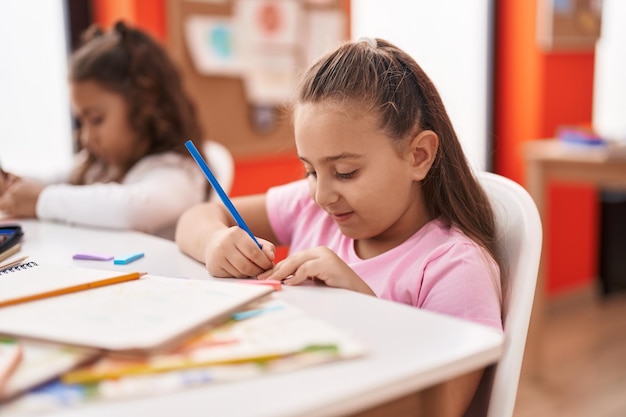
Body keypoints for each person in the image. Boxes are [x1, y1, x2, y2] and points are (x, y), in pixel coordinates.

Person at [176, 37, 502, 416]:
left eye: (345, 172)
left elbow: (438, 407)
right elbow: (194, 218)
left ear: (418, 156)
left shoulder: (454, 268)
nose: (321, 195)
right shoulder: (312, 207)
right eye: (310, 170)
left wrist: (365, 310)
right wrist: (216, 243)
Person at [0, 21, 207, 239]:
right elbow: (55, 181)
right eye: (81, 122)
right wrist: (11, 186)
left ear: (145, 107)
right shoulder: (100, 166)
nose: (87, 138)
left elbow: (131, 209)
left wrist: (41, 200)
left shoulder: (178, 173)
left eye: (97, 119)